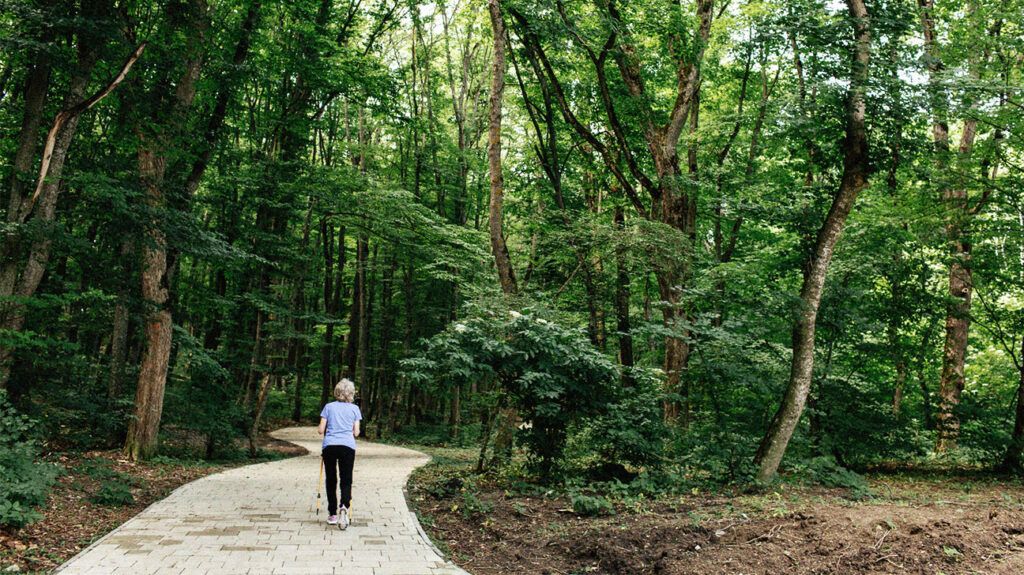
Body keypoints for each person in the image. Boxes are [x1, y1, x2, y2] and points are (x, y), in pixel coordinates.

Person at [318, 378, 362, 528]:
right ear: (351, 393)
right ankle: (344, 506)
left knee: (331, 479)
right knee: (346, 479)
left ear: (337, 392)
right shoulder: (355, 409)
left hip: (329, 446)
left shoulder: (328, 407)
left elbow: (320, 430)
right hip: (347, 447)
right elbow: (356, 433)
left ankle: (332, 514)